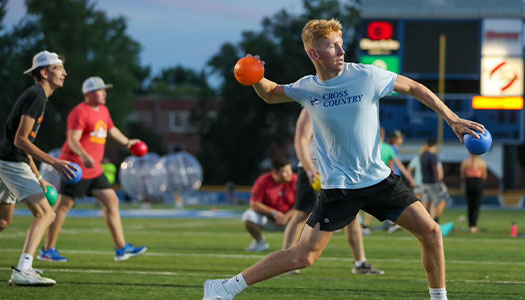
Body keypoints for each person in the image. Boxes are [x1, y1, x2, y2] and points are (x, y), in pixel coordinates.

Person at [203, 18, 485, 300]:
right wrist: (255, 77)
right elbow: (270, 93)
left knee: (432, 232)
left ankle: (439, 298)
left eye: (341, 45)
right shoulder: (307, 88)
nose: (341, 51)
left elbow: (414, 87)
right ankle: (225, 288)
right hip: (340, 190)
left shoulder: (366, 76)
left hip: (379, 182)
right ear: (314, 54)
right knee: (303, 257)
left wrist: (453, 119)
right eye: (332, 47)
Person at [38, 76, 147, 263]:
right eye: (100, 90)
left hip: (94, 169)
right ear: (88, 94)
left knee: (111, 200)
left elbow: (111, 130)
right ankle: (48, 250)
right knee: (64, 206)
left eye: (105, 90)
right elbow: (72, 140)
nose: (104, 93)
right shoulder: (79, 112)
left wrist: (128, 143)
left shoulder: (103, 110)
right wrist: (85, 156)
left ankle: (121, 248)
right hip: (76, 167)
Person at [0, 50, 75, 286]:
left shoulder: (37, 96)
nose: (64, 73)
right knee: (46, 214)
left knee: (2, 221)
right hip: (10, 161)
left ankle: (24, 269)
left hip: (8, 160)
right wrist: (54, 162)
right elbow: (20, 141)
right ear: (44, 72)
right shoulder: (37, 95)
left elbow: (24, 143)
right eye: (58, 68)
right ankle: (23, 269)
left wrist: (38, 177)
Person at [282, 108, 384, 275]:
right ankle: (285, 260)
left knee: (352, 217)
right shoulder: (312, 107)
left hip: (338, 171)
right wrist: (309, 169)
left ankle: (360, 263)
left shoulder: (340, 106)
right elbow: (301, 140)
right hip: (313, 169)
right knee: (301, 214)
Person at [242, 156, 297, 252]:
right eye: (286, 171)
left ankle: (299, 246)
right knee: (248, 216)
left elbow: (301, 205)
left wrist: (287, 216)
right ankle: (260, 243)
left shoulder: (296, 180)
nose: (290, 174)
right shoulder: (263, 181)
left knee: (309, 215)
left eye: (290, 170)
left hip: (291, 221)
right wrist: (274, 213)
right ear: (275, 172)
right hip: (269, 219)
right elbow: (254, 204)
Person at [460, 154, 487, 233]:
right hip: (478, 183)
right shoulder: (482, 163)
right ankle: (474, 226)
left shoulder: (465, 162)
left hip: (469, 182)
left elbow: (463, 175)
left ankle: (470, 224)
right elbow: (484, 175)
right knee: (476, 205)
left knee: (470, 204)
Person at [420, 138, 446, 221]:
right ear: (434, 146)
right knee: (438, 202)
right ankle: (436, 221)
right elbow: (435, 169)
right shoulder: (432, 156)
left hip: (424, 182)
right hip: (432, 183)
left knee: (427, 203)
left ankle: (425, 221)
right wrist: (439, 183)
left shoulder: (422, 155)